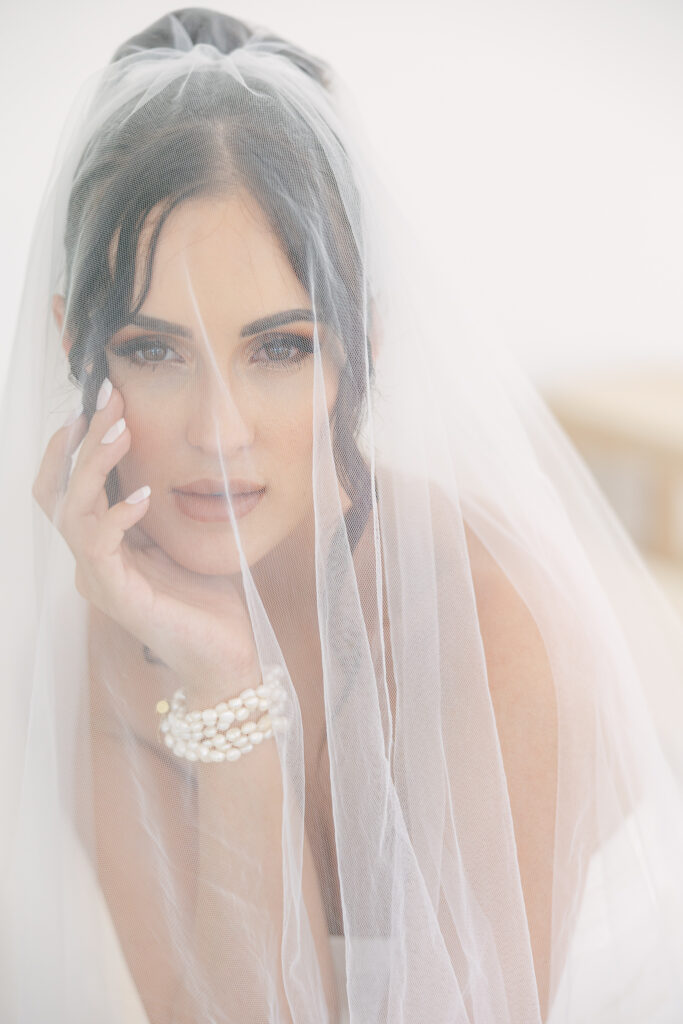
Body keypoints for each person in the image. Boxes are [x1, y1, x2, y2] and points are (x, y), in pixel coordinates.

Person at [1, 8, 683, 1023]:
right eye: (153, 349)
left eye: (278, 347)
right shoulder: (103, 646)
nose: (218, 432)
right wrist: (226, 680)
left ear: (358, 351)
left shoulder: (493, 625)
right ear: (76, 348)